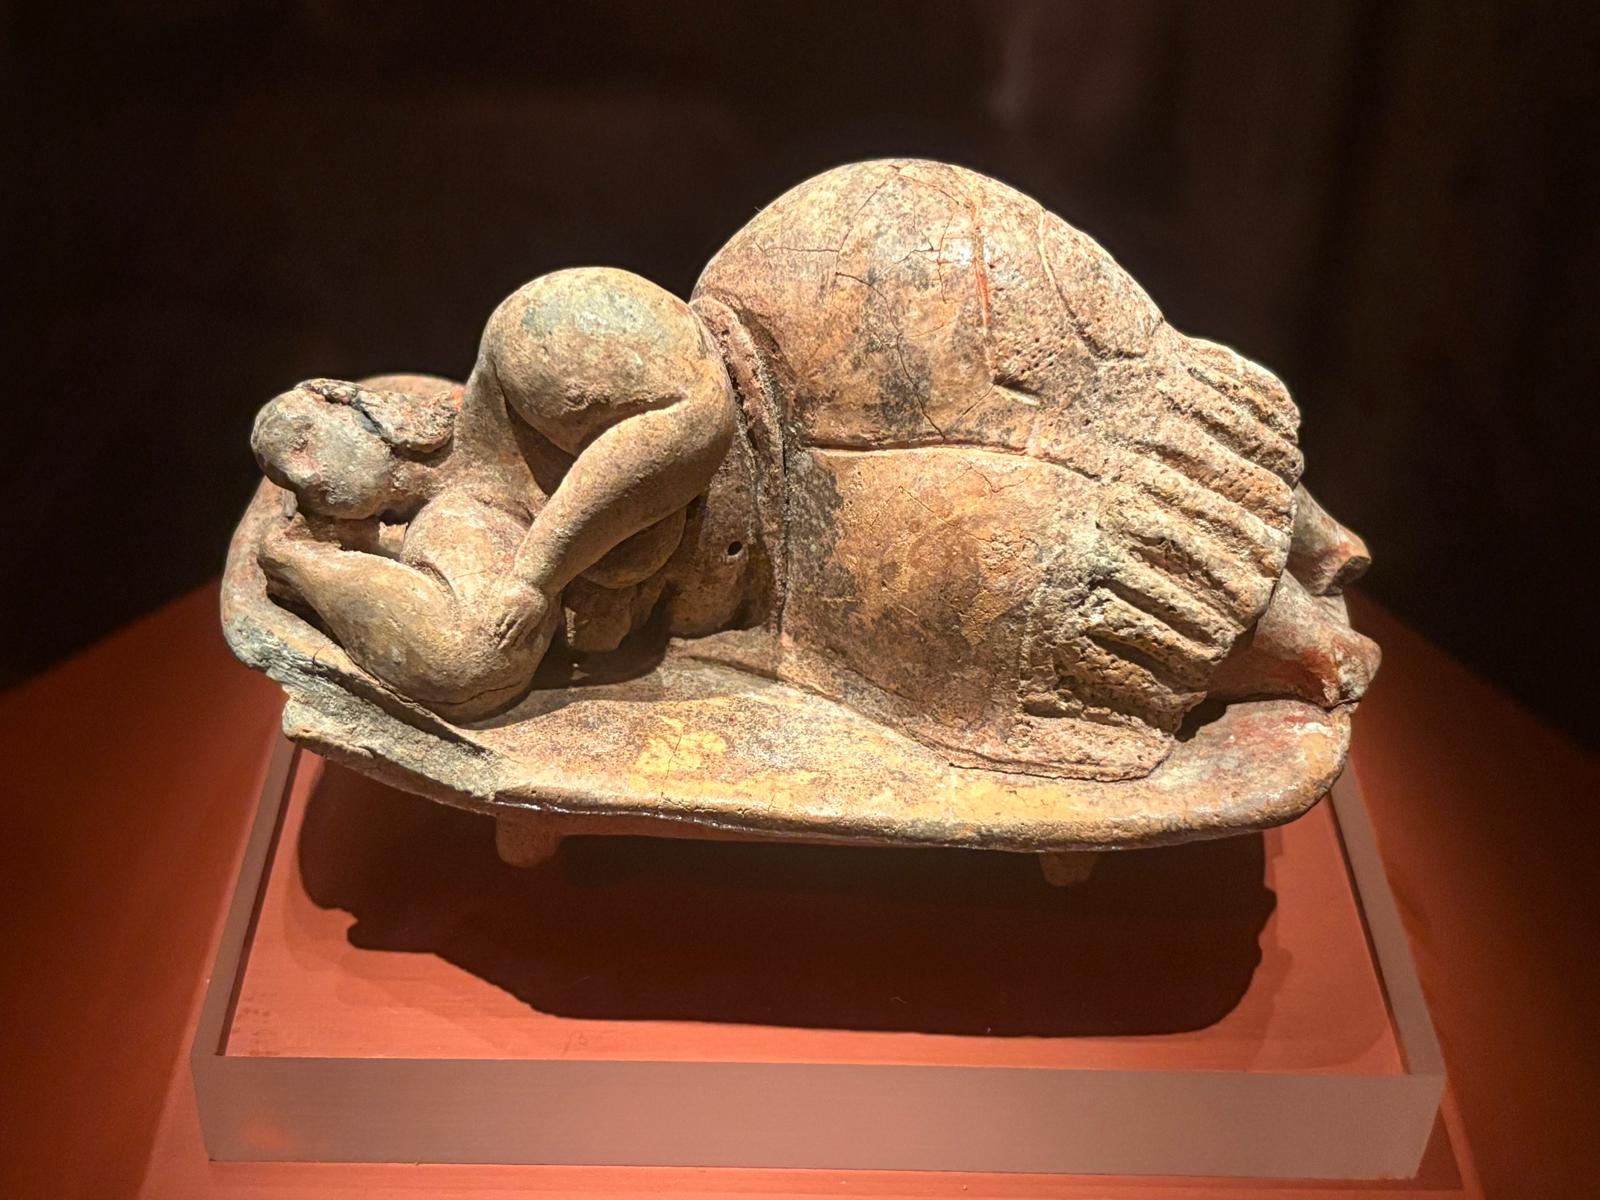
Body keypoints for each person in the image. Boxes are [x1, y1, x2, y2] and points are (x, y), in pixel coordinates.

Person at [252, 268, 738, 720]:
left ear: (352, 404)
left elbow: (693, 416)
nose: (303, 482)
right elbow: (463, 661)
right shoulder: (459, 521)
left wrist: (538, 575)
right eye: (290, 482)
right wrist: (306, 564)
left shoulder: (520, 344)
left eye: (302, 444)